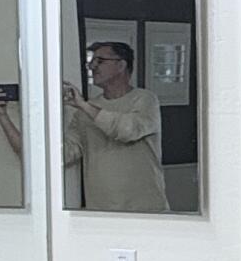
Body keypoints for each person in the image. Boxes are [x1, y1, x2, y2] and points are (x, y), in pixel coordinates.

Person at [63, 40, 169, 211]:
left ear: (121, 65)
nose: (92, 67)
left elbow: (127, 131)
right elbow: (65, 153)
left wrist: (83, 105)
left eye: (100, 61)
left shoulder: (145, 100)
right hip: (101, 212)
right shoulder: (85, 111)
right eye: (91, 61)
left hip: (146, 210)